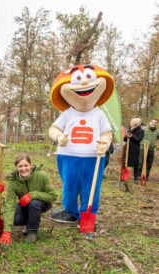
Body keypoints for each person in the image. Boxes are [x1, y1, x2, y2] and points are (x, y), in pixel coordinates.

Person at [48, 65, 113, 224]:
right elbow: (53, 128)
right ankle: (70, 212)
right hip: (68, 156)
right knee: (69, 185)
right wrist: (58, 137)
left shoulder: (99, 113)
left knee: (91, 187)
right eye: (78, 79)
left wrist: (105, 143)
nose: (84, 82)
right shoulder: (67, 113)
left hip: (93, 157)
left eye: (88, 77)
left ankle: (88, 214)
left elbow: (107, 132)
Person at [0, 154, 57, 244]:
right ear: (16, 167)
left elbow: (53, 196)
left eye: (26, 165)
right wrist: (7, 231)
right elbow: (10, 204)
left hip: (43, 203)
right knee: (16, 219)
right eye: (20, 166)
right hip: (24, 204)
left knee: (34, 204)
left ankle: (32, 231)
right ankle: (29, 222)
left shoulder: (41, 176)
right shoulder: (13, 181)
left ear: (31, 165)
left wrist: (32, 195)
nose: (23, 169)